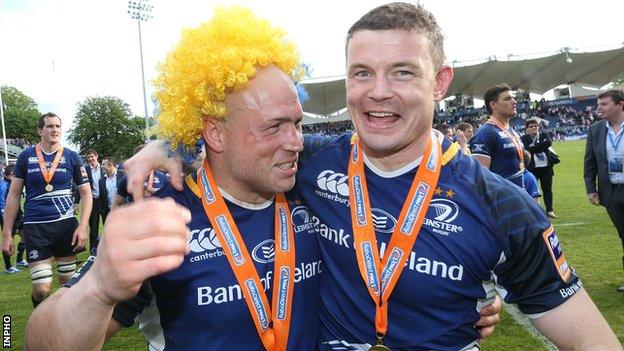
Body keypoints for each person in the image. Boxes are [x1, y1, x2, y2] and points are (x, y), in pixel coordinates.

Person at [119, 3, 621, 350]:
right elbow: (239, 143)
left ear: (440, 81)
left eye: (402, 72)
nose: (377, 92)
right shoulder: (306, 162)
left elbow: (589, 338)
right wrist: (164, 145)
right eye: (362, 73)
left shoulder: (501, 206)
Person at [1, 112, 92, 307]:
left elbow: (86, 193)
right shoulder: (26, 156)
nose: (55, 130)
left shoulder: (71, 156)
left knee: (68, 285)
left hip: (66, 226)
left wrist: (83, 225)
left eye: (58, 126)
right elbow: (14, 195)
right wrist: (7, 234)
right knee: (42, 290)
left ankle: (62, 330)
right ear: (40, 130)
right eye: (50, 126)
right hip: (36, 227)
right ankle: (39, 321)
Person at [584, 89, 624, 294]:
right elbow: (589, 162)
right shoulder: (596, 130)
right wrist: (591, 189)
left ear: (620, 105)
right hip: (611, 192)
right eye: (599, 104)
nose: (599, 108)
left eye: (605, 104)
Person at [470, 84, 526, 188]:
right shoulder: (485, 132)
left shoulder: (512, 131)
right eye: (507, 99)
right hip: (502, 199)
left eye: (513, 98)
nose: (514, 102)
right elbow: (481, 176)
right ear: (493, 104)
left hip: (518, 194)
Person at [521, 118, 557, 218]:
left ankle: (549, 210)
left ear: (538, 127)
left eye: (535, 126)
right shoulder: (524, 138)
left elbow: (549, 143)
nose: (533, 128)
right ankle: (533, 210)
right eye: (531, 126)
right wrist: (541, 146)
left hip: (546, 167)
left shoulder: (544, 135)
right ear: (527, 129)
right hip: (533, 168)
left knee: (547, 189)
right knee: (531, 190)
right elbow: (527, 148)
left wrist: (534, 147)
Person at [0, 164, 25, 273]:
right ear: (12, 174)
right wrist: (6, 223)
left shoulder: (11, 184)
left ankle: (19, 261)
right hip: (10, 219)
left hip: (18, 216)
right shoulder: (4, 186)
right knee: (9, 241)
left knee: (25, 236)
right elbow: (2, 205)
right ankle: (8, 267)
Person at [85, 149, 105, 251]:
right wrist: (76, 202)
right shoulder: (85, 170)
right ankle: (93, 250)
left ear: (96, 156)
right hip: (92, 202)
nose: (90, 159)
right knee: (93, 228)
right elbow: (80, 186)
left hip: (104, 201)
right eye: (88, 157)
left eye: (92, 156)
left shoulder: (104, 167)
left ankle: (108, 248)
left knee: (108, 225)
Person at [97, 157, 122, 223]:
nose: (101, 166)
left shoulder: (122, 175)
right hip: (107, 213)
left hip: (122, 210)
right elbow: (101, 197)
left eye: (103, 164)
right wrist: (102, 211)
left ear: (110, 165)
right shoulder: (101, 181)